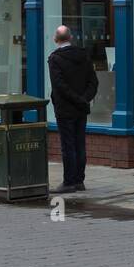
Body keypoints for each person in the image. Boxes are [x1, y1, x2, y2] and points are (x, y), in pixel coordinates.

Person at [47, 25, 98, 194]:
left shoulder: (55, 59)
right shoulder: (84, 56)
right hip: (81, 108)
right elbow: (93, 82)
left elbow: (59, 86)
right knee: (79, 144)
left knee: (68, 145)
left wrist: (77, 99)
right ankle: (79, 180)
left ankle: (69, 181)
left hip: (65, 108)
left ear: (56, 39)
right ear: (70, 38)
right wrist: (84, 99)